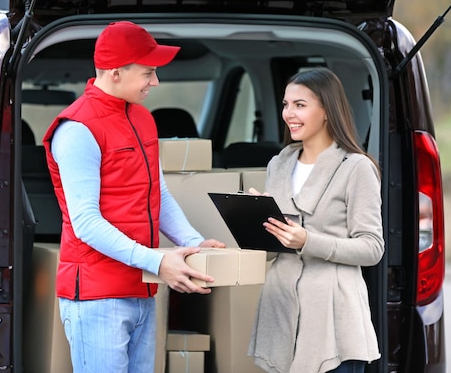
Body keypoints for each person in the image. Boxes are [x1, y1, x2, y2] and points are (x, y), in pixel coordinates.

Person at [42, 20, 225, 373]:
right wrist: (157, 262)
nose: (155, 82)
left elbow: (160, 193)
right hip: (97, 298)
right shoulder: (77, 129)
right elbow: (86, 223)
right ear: (114, 72)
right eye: (148, 73)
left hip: (143, 289)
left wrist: (194, 243)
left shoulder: (142, 119)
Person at [247, 67, 385, 373]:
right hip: (280, 316)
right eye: (285, 104)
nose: (288, 114)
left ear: (326, 110)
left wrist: (308, 241)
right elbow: (275, 249)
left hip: (332, 322)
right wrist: (256, 221)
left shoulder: (356, 167)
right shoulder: (279, 163)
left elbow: (372, 248)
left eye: (300, 105)